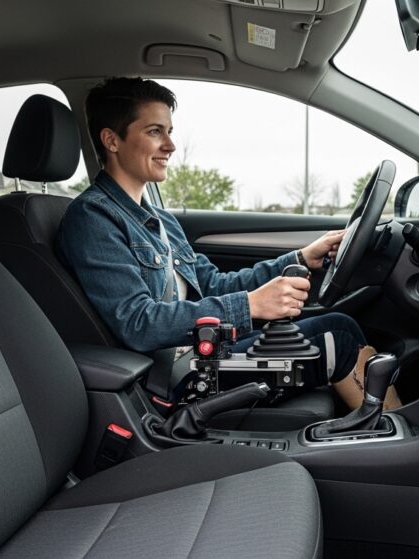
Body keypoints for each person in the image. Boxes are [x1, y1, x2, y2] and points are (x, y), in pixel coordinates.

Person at [56, 77, 399, 411]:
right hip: (172, 378)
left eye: (169, 132)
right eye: (154, 132)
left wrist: (300, 257)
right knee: (336, 338)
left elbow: (213, 285)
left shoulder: (161, 221)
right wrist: (249, 305)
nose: (170, 146)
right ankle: (400, 449)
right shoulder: (93, 218)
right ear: (112, 140)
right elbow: (139, 324)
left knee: (343, 325)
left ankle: (391, 437)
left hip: (201, 352)